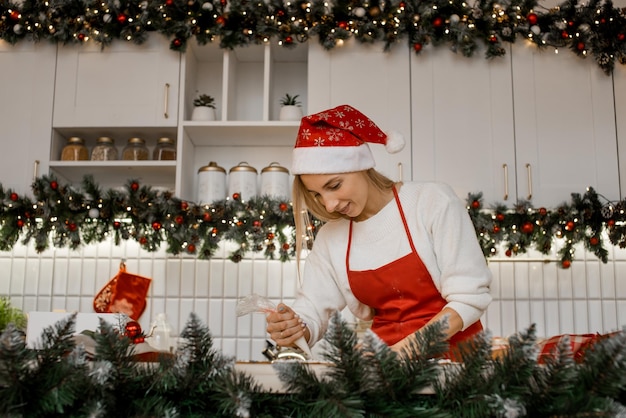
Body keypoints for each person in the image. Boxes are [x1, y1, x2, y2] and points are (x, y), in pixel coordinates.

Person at [265, 104, 492, 356]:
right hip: (384, 369)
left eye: (335, 185)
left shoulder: (431, 202)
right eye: (317, 195)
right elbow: (312, 310)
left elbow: (470, 298)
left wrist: (405, 352)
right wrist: (294, 328)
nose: (329, 204)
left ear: (361, 165)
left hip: (458, 363)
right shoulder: (332, 237)